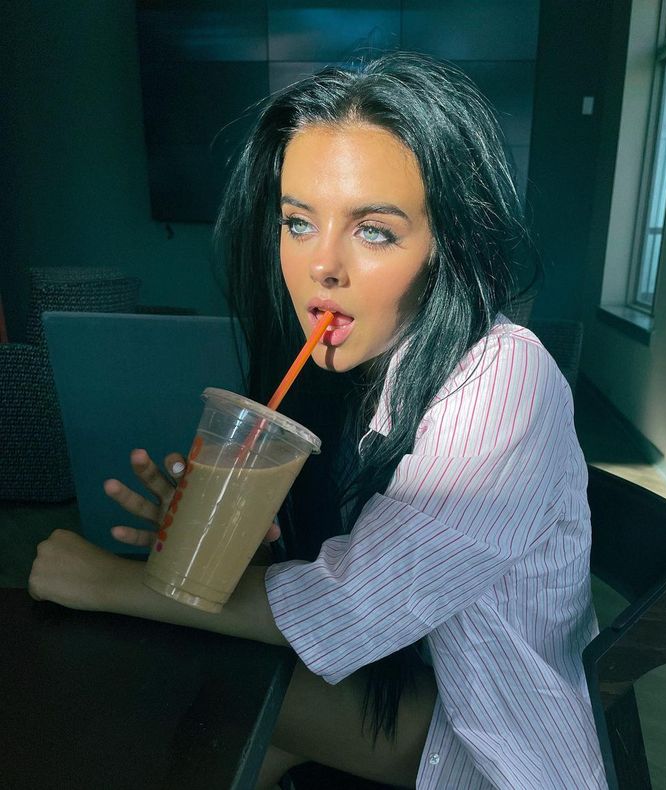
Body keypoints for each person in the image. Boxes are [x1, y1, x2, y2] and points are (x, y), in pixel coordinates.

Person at [28, 53, 607, 789]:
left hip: (490, 737)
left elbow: (354, 607)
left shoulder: (502, 378)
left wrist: (111, 582)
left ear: (446, 246)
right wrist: (210, 556)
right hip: (403, 685)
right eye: (298, 222)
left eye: (374, 231)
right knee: (211, 733)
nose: (320, 266)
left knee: (192, 685)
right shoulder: (350, 371)